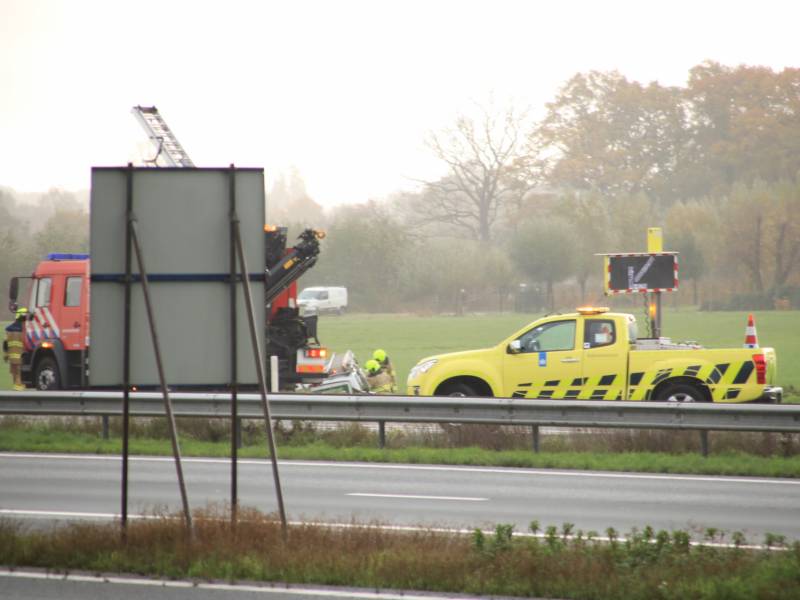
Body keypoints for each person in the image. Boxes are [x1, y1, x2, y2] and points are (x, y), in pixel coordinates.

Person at [3, 308, 27, 391]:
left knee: (14, 370)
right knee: (18, 370)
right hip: (19, 354)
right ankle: (18, 385)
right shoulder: (24, 329)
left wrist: (6, 353)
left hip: (11, 354)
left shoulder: (9, 329)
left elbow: (5, 343)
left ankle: (16, 385)